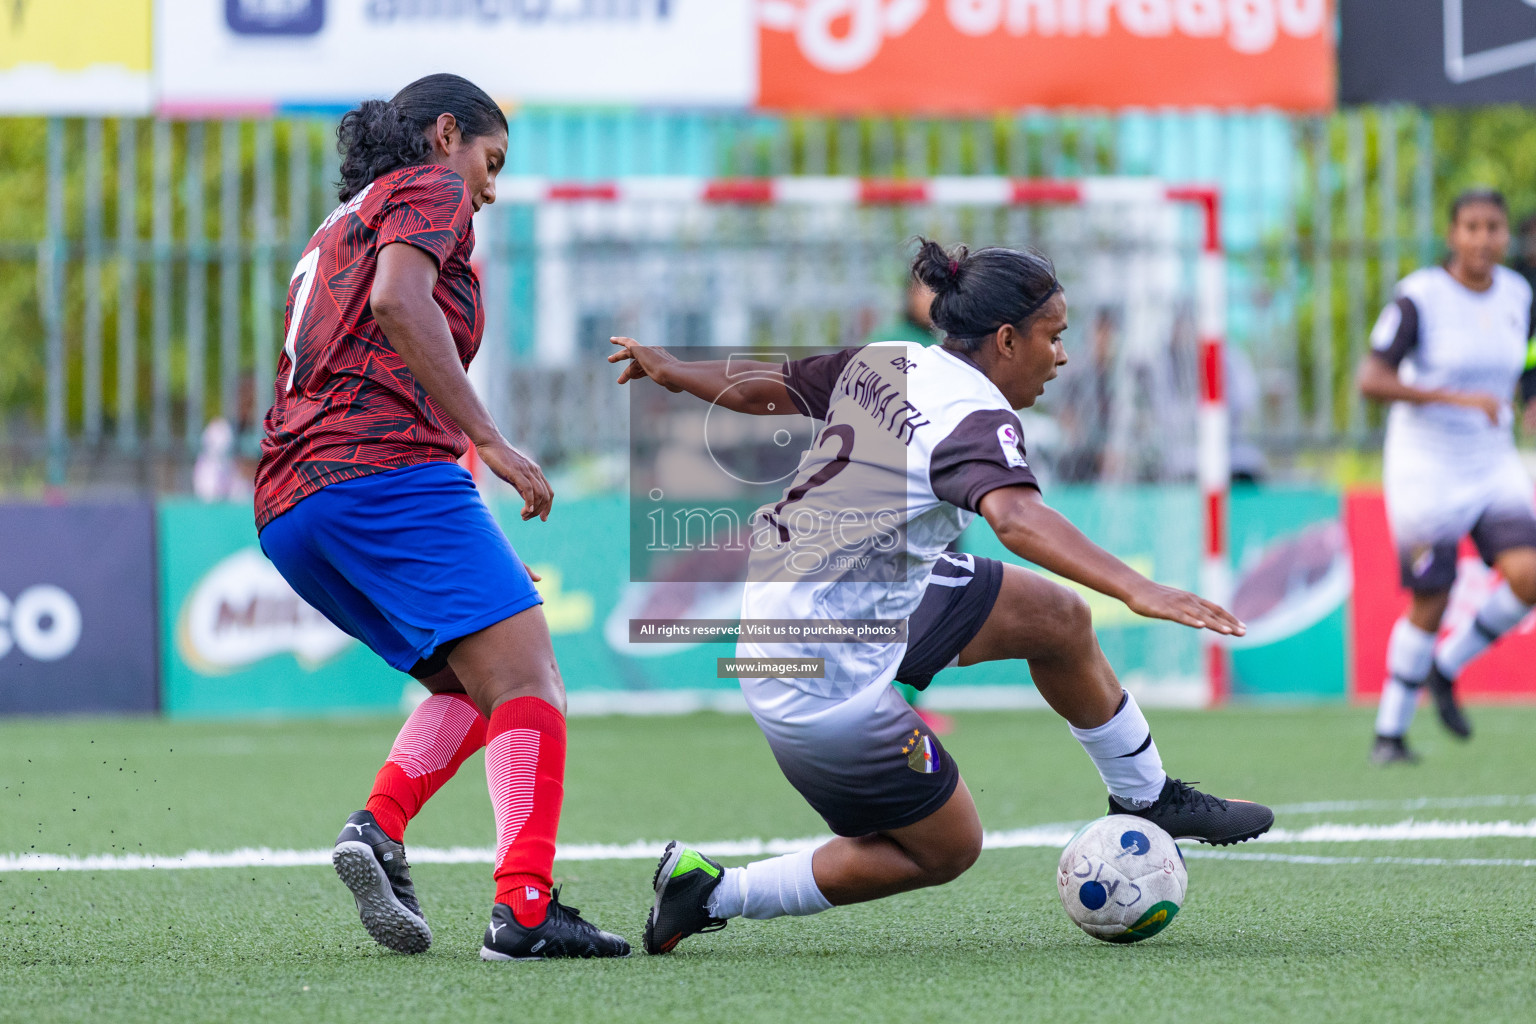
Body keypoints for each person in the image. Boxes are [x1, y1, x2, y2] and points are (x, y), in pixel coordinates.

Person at [608, 239, 1274, 955]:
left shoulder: (887, 361)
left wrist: (672, 369)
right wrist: (1139, 587)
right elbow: (1016, 519)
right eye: (1055, 338)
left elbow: (756, 390)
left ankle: (1147, 797)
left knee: (1055, 619)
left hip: (803, 606)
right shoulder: (975, 417)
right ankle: (714, 890)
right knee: (947, 847)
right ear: (1008, 339)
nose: (1063, 357)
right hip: (817, 676)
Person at [253, 74, 627, 961]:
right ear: (446, 134)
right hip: (383, 476)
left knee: (469, 680)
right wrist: (491, 440)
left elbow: (367, 346)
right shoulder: (432, 187)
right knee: (530, 682)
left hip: (292, 504)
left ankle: (378, 826)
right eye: (491, 161)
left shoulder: (341, 220)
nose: (490, 187)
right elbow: (396, 302)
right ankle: (525, 912)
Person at [1359, 189, 1536, 765]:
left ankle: (1446, 666)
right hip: (1426, 466)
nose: (1484, 238)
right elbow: (1372, 379)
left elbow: (1525, 364)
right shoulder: (1420, 297)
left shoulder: (1519, 294)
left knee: (1529, 576)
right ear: (1452, 234)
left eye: (1494, 227)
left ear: (1506, 235)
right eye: (1472, 227)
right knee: (1432, 598)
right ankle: (1390, 734)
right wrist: (1453, 398)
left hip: (1491, 462)